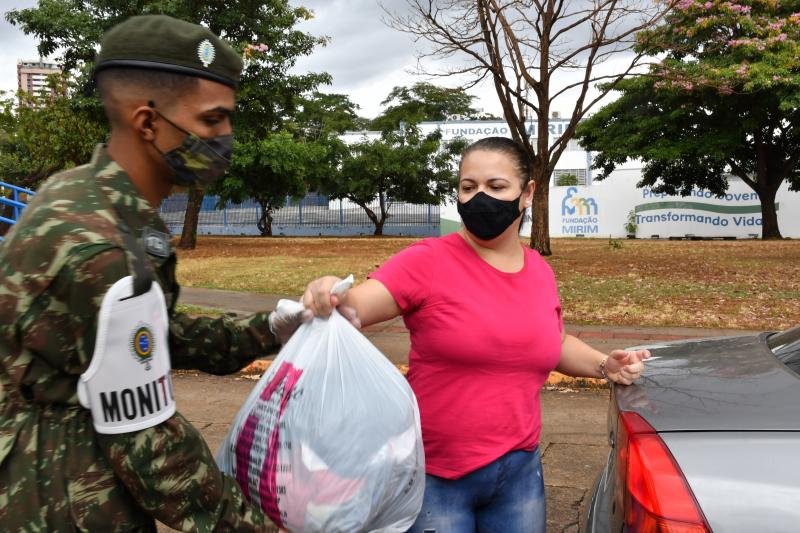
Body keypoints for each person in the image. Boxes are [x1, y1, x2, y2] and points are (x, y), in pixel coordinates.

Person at [0, 15, 305, 531]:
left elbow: (148, 334)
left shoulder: (82, 193)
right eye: (212, 121)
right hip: (59, 497)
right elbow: (157, 456)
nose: (226, 136)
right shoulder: (102, 250)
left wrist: (269, 329)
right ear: (148, 123)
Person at [302, 136, 650, 533]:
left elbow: (551, 343)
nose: (479, 197)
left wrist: (605, 365)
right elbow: (353, 305)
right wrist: (330, 291)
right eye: (468, 188)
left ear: (527, 193)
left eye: (496, 187)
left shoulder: (538, 270)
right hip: (437, 479)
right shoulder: (427, 261)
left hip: (519, 474)